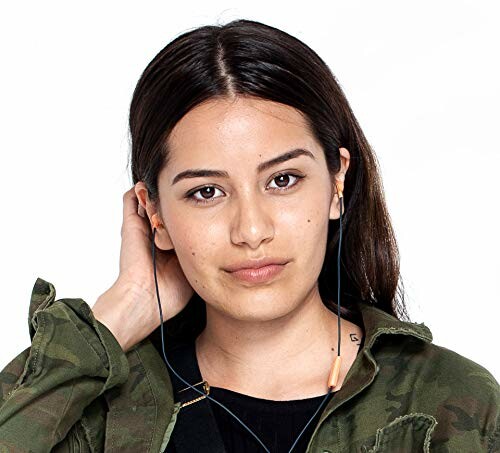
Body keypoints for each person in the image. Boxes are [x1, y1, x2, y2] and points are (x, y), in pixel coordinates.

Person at [0, 18, 498, 453]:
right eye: (206, 191)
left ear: (337, 182)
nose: (252, 230)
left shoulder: (448, 402)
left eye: (283, 180)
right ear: (153, 213)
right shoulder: (99, 410)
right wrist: (123, 308)